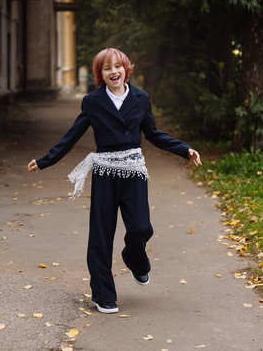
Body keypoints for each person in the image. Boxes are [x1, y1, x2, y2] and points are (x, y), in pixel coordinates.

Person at [28, 48, 201, 314]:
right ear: (101, 75)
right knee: (101, 235)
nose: (114, 72)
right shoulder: (93, 102)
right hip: (105, 174)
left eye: (118, 66)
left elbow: (153, 134)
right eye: (107, 68)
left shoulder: (141, 98)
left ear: (126, 69)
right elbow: (72, 135)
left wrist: (184, 149)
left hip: (134, 173)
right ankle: (103, 294)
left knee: (141, 227)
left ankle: (135, 258)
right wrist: (45, 161)